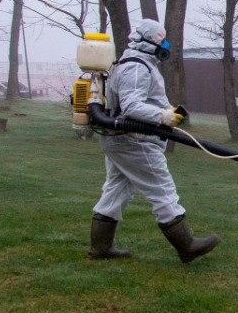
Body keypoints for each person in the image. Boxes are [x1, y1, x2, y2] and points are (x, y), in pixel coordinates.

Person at [88, 19, 220, 264]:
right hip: (134, 140)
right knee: (162, 190)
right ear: (148, 42)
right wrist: (163, 116)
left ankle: (101, 248)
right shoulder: (136, 67)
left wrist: (168, 110)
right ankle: (186, 245)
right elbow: (132, 106)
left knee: (116, 191)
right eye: (162, 40)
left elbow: (144, 99)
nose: (166, 45)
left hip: (121, 141)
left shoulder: (138, 63)